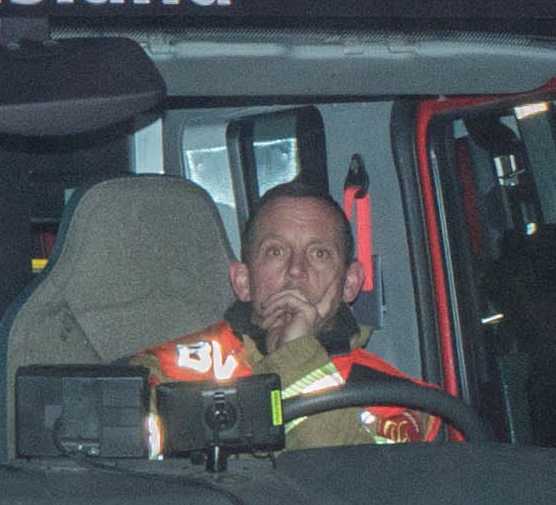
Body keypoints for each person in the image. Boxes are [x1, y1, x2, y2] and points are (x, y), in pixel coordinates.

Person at [151, 185, 449, 447]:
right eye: (276, 252)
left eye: (319, 253)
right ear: (242, 281)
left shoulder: (402, 402)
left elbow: (350, 494)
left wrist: (296, 357)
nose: (296, 270)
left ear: (350, 282)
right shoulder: (167, 374)